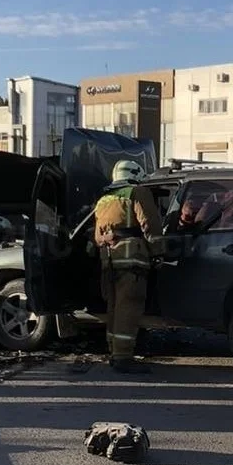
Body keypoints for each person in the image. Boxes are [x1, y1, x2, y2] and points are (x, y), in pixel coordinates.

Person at [93, 160, 163, 374]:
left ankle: (114, 352)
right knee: (129, 306)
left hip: (109, 261)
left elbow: (97, 237)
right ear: (135, 174)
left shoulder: (104, 200)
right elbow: (150, 224)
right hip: (131, 261)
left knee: (114, 306)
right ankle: (123, 357)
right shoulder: (138, 192)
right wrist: (158, 251)